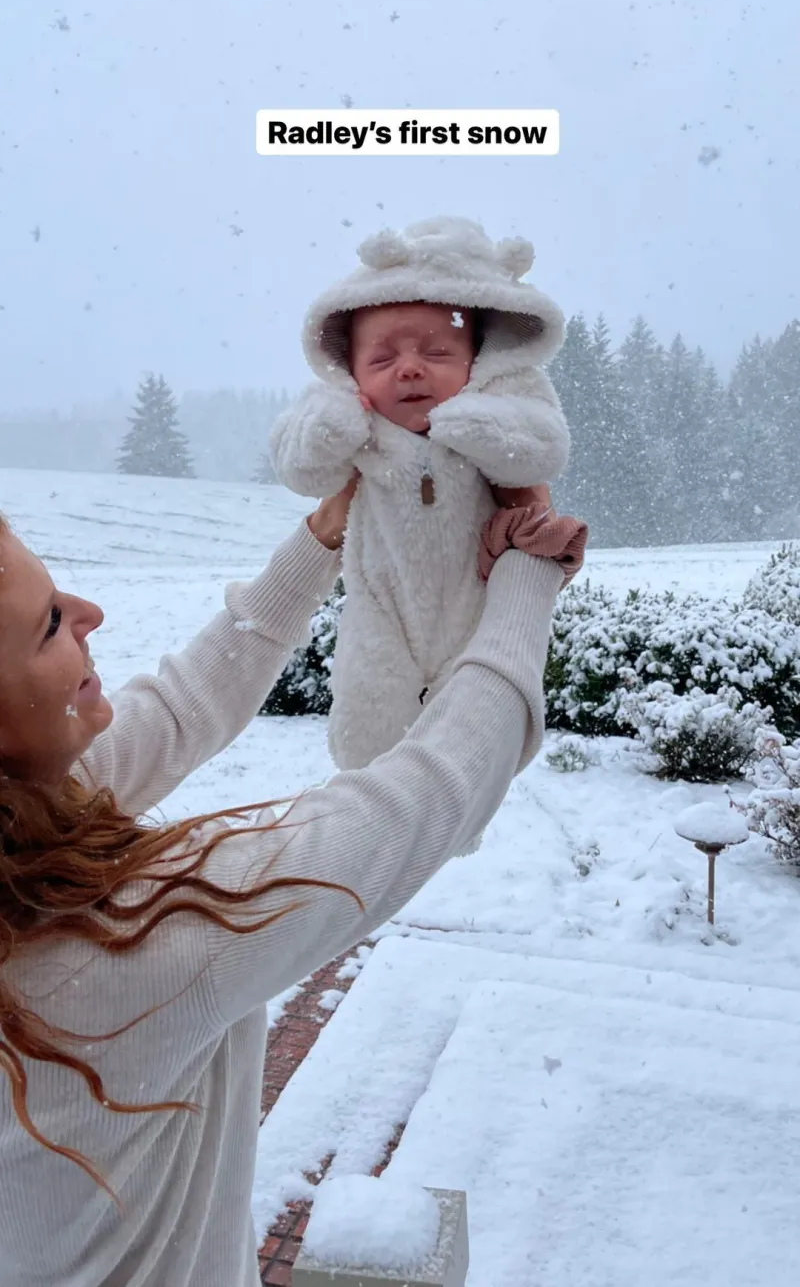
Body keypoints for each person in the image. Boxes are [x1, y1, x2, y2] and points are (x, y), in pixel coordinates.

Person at [0, 474, 585, 1287]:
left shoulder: (26, 825)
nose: (89, 612)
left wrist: (321, 541)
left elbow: (179, 707)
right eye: (49, 624)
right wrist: (527, 578)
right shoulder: (125, 948)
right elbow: (422, 798)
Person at [270, 215, 582, 774]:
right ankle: (365, 790)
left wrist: (477, 428)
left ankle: (459, 809)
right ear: (350, 371)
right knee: (367, 711)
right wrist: (330, 429)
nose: (410, 369)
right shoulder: (346, 413)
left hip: (477, 600)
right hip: (380, 603)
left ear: (479, 361)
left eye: (437, 354)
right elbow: (299, 467)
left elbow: (544, 446)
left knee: (475, 724)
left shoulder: (501, 398)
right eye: (383, 360)